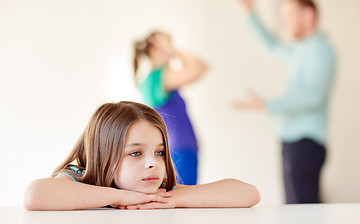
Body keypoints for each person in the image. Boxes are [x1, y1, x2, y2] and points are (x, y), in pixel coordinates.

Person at [23, 101, 260, 210]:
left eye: (159, 152)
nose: (152, 164)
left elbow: (249, 194)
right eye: (135, 153)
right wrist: (122, 197)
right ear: (103, 155)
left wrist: (175, 199)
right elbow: (36, 195)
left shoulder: (157, 193)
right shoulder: (78, 178)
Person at [235, 0, 336, 204]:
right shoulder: (301, 51)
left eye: (290, 14)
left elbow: (312, 95)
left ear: (309, 15)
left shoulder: (320, 50)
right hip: (293, 141)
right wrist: (250, 13)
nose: (286, 22)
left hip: (305, 143)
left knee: (303, 211)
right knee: (296, 209)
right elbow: (272, 47)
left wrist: (268, 105)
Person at [133, 31, 207, 185]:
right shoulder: (158, 77)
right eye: (166, 44)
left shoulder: (157, 78)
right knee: (182, 202)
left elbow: (192, 67)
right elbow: (199, 68)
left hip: (181, 151)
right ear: (155, 49)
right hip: (178, 152)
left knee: (182, 200)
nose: (171, 50)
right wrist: (173, 49)